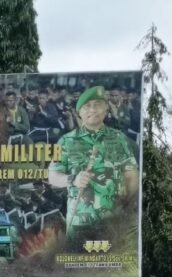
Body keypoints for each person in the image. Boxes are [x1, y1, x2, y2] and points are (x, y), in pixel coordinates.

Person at [48, 85, 139, 243]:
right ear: (79, 112)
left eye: (98, 105)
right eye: (87, 106)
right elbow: (53, 177)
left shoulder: (119, 139)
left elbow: (131, 175)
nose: (92, 110)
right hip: (79, 223)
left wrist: (125, 207)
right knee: (77, 267)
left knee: (113, 267)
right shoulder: (65, 141)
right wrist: (73, 179)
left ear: (106, 109)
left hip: (113, 224)